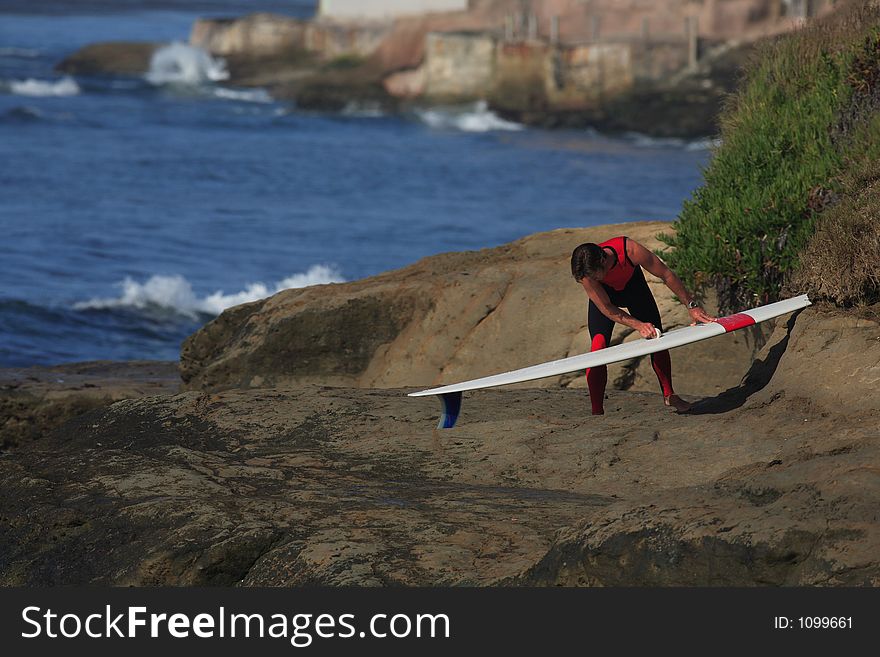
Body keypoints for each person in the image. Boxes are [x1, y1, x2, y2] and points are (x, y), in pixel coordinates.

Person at [570, 236, 715, 415]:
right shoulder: (587, 272)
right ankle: (596, 411)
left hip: (634, 290)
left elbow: (666, 274)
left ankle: (670, 396)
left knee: (656, 336)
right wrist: (638, 325)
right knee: (598, 347)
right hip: (607, 300)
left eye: (592, 276)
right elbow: (607, 307)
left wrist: (691, 306)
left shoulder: (629, 250)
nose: (589, 279)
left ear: (602, 261)